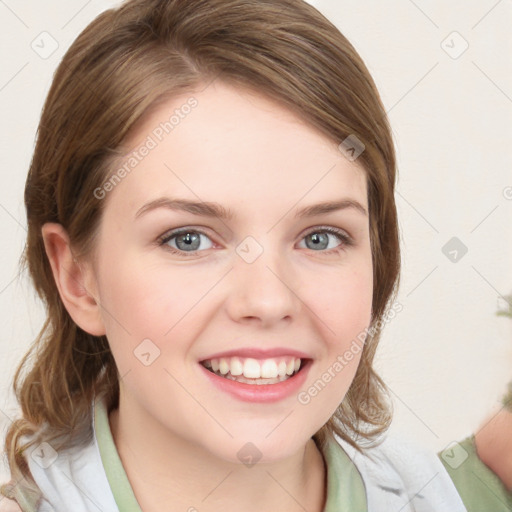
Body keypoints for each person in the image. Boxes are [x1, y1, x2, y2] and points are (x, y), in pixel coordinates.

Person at [0, 0, 467, 510]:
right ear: (77, 277)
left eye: (320, 237)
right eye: (189, 239)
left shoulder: (437, 493)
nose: (267, 301)